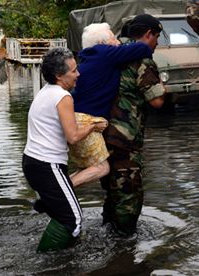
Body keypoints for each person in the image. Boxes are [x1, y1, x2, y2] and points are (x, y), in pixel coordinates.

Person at [22, 48, 107, 252]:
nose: (78, 74)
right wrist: (94, 126)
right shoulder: (62, 97)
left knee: (65, 217)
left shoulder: (46, 91)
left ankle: (65, 254)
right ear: (60, 76)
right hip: (46, 165)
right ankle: (44, 260)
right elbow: (73, 136)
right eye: (74, 71)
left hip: (33, 163)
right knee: (73, 220)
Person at [101, 14, 166, 236]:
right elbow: (157, 101)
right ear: (148, 34)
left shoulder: (110, 50)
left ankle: (108, 237)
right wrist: (161, 84)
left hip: (100, 135)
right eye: (157, 37)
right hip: (125, 139)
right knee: (129, 194)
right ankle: (125, 252)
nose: (157, 43)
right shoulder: (142, 59)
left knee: (112, 190)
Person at [69, 22, 154, 187]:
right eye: (113, 38)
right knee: (102, 168)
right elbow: (144, 48)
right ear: (102, 43)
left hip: (75, 120)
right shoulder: (103, 53)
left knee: (87, 169)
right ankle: (56, 195)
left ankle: (52, 192)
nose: (118, 42)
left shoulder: (87, 58)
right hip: (87, 121)